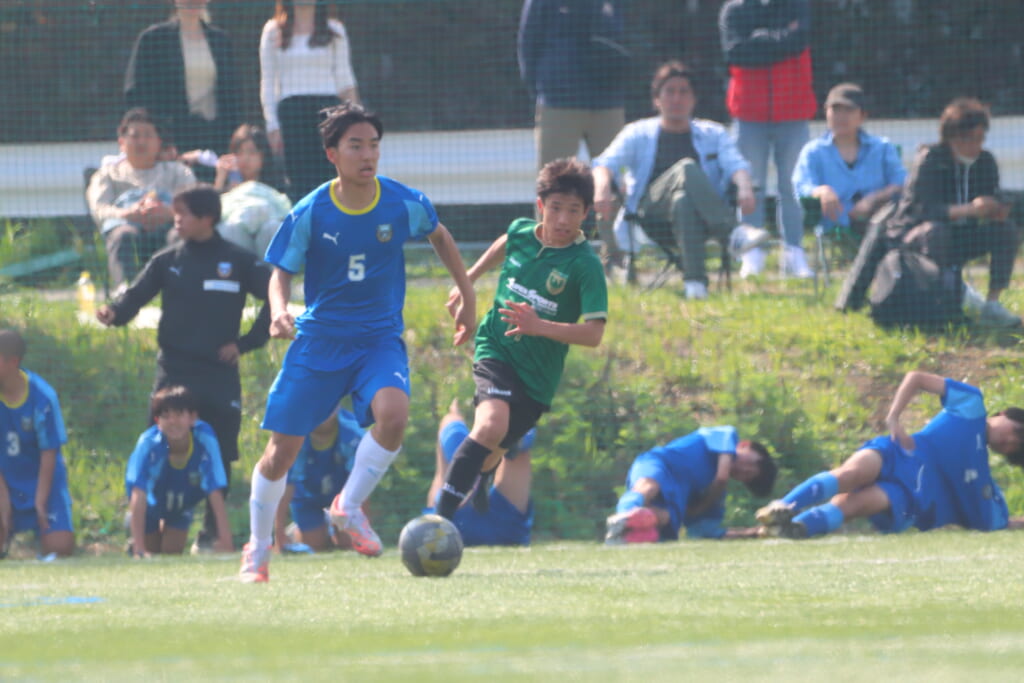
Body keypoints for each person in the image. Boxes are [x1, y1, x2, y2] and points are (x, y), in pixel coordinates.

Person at [240, 103, 476, 582]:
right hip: (320, 341)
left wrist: (467, 295)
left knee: (394, 415)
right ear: (332, 154)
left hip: (377, 340)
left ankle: (347, 507)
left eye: (373, 145)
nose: (367, 155)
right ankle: (258, 548)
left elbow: (440, 236)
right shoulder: (312, 210)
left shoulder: (402, 202)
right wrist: (279, 310)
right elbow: (280, 270)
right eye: (355, 146)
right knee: (280, 452)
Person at [97, 185, 271, 551]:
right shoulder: (168, 260)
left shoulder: (238, 260)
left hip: (218, 373)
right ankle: (148, 528)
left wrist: (245, 344)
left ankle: (211, 535)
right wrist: (114, 312)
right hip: (174, 371)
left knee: (220, 451)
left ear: (207, 218)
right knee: (159, 446)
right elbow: (136, 295)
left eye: (183, 214)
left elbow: (276, 297)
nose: (176, 220)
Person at [435, 158, 607, 523]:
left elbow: (594, 334)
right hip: (496, 347)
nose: (562, 219)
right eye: (555, 208)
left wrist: (538, 326)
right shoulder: (521, 232)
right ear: (540, 205)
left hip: (538, 377)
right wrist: (468, 280)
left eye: (573, 210)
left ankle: (484, 474)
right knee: (490, 425)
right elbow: (506, 241)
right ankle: (439, 520)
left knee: (494, 448)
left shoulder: (585, 265)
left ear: (586, 213)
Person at [757, 371, 1022, 539]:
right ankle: (782, 508)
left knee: (853, 505)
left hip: (911, 494)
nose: (1010, 440)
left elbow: (994, 521)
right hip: (898, 451)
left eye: (1017, 446)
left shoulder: (980, 477)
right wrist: (894, 417)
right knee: (851, 474)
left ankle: (789, 531)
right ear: (1004, 414)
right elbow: (916, 377)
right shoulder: (971, 404)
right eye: (1018, 431)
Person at [593, 61, 764, 300]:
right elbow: (604, 163)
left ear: (694, 99)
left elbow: (736, 164)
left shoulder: (714, 133)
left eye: (684, 92)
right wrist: (601, 189)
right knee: (686, 168)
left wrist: (745, 187)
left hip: (702, 217)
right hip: (650, 216)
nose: (677, 98)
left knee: (683, 200)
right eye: (670, 91)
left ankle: (695, 285)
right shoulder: (637, 132)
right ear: (657, 99)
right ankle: (732, 233)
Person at [887, 97, 1020, 328]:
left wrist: (995, 208)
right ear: (951, 137)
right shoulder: (930, 160)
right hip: (917, 240)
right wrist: (968, 209)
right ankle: (943, 302)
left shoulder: (985, 161)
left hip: (961, 236)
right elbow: (922, 210)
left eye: (980, 139)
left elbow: (993, 194)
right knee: (936, 231)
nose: (975, 146)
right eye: (969, 139)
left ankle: (992, 304)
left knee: (1005, 230)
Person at [517, 0, 628, 267]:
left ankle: (617, 257)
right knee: (553, 183)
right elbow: (528, 42)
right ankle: (549, 258)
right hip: (559, 101)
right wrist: (544, 88)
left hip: (608, 100)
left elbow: (622, 34)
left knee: (615, 182)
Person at [719, 0, 818, 278]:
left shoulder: (797, 5)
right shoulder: (735, 10)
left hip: (794, 111)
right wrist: (781, 39)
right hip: (748, 114)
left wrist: (759, 40)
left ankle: (794, 251)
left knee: (792, 186)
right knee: (751, 186)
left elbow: (799, 42)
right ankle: (752, 252)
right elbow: (736, 53)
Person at [260, 0, 361, 202]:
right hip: (292, 116)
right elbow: (268, 82)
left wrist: (357, 121)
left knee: (332, 180)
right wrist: (272, 125)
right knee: (299, 183)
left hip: (330, 115)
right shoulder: (272, 31)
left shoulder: (335, 30)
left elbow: (345, 80)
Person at [605, 426, 777, 544]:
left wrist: (754, 532)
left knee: (665, 517)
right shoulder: (726, 434)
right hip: (662, 464)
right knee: (649, 486)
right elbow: (722, 476)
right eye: (752, 463)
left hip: (673, 498)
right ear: (744, 445)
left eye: (747, 476)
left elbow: (704, 532)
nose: (743, 469)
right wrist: (710, 496)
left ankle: (626, 533)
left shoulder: (714, 494)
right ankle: (623, 517)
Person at [86, 108, 196, 288]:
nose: (141, 141)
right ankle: (124, 292)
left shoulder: (179, 173)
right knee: (122, 235)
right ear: (122, 142)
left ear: (159, 142)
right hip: (126, 227)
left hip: (168, 228)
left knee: (179, 235)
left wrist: (169, 212)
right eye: (135, 136)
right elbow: (99, 210)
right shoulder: (107, 175)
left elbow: (194, 207)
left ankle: (181, 289)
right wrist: (127, 214)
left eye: (148, 135)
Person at [124, 0, 239, 160]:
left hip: (215, 141)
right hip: (171, 146)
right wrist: (159, 143)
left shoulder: (221, 41)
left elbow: (233, 98)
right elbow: (136, 96)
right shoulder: (153, 39)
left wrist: (233, 145)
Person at [124, 386, 232, 557]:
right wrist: (140, 548)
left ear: (193, 417)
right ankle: (133, 534)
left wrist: (226, 541)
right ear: (157, 421)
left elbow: (215, 490)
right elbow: (138, 492)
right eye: (166, 416)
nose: (173, 421)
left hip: (181, 506)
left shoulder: (205, 439)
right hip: (150, 505)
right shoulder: (148, 444)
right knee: (150, 552)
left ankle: (162, 528)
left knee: (171, 553)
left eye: (179, 414)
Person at [792, 83, 906, 236]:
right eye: (835, 109)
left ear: (863, 116)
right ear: (826, 113)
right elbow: (800, 185)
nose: (841, 116)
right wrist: (821, 191)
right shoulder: (813, 151)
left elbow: (903, 184)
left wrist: (873, 199)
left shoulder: (883, 148)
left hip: (880, 227)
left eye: (849, 110)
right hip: (833, 231)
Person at [0, 329, 75, 559]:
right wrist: (3, 503)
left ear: (13, 362)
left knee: (60, 548)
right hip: (5, 483)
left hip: (43, 484)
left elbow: (49, 453)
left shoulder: (43, 397)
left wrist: (40, 501)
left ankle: (40, 532)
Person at [424, 400, 535, 547]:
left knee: (452, 429)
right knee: (520, 428)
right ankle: (510, 436)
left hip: (445, 523)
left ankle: (466, 462)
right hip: (505, 527)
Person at [273, 408, 363, 553]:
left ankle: (333, 526)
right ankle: (298, 532)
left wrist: (363, 533)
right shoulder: (295, 434)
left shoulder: (353, 432)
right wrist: (279, 534)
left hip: (343, 496)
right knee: (315, 546)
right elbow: (287, 485)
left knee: (348, 543)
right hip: (307, 496)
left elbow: (360, 482)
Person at [213, 124, 293, 257]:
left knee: (272, 227)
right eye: (239, 152)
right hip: (238, 243)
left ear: (263, 155)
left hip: (266, 242)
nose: (245, 158)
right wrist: (220, 180)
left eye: (252, 152)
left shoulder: (278, 188)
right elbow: (211, 216)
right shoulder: (226, 188)